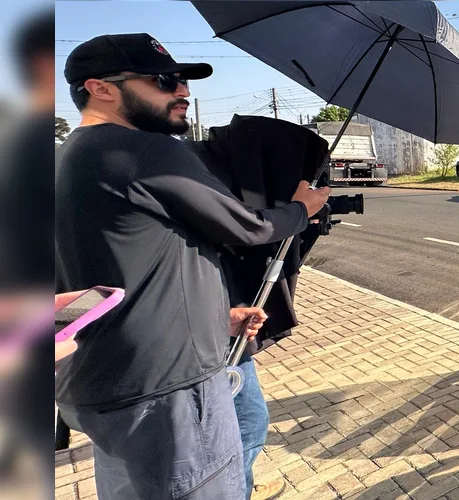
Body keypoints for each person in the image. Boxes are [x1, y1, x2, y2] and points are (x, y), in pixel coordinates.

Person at [54, 33, 331, 500]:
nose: (182, 91)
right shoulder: (140, 151)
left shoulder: (73, 156)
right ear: (100, 88)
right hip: (167, 389)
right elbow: (245, 226)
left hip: (114, 381)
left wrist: (215, 319)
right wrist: (302, 208)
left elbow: (120, 274)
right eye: (164, 81)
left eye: (182, 81)